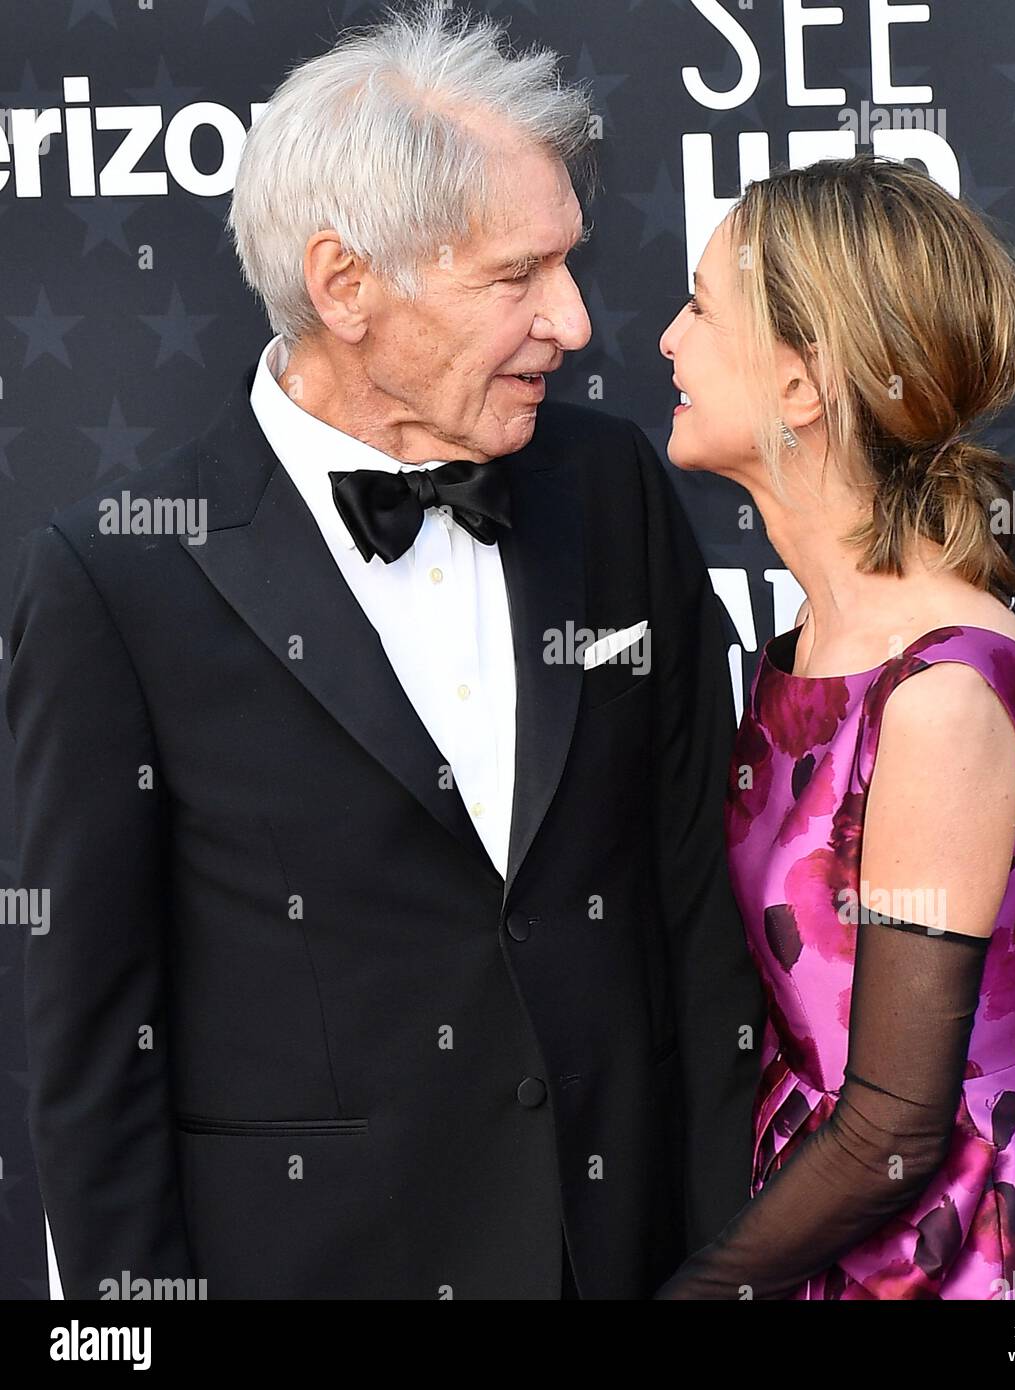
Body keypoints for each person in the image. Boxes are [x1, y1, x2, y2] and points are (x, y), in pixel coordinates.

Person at [5, 3, 763, 1300]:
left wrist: (725, 1265)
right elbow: (91, 1056)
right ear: (347, 286)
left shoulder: (615, 493)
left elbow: (700, 913)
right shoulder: (119, 575)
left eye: (565, 265)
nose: (575, 324)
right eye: (518, 276)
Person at [653, 153, 1015, 1300]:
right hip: (815, 1236)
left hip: (958, 1266)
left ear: (804, 386)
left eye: (702, 308)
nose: (666, 338)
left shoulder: (939, 693)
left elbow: (895, 1126)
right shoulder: (808, 649)